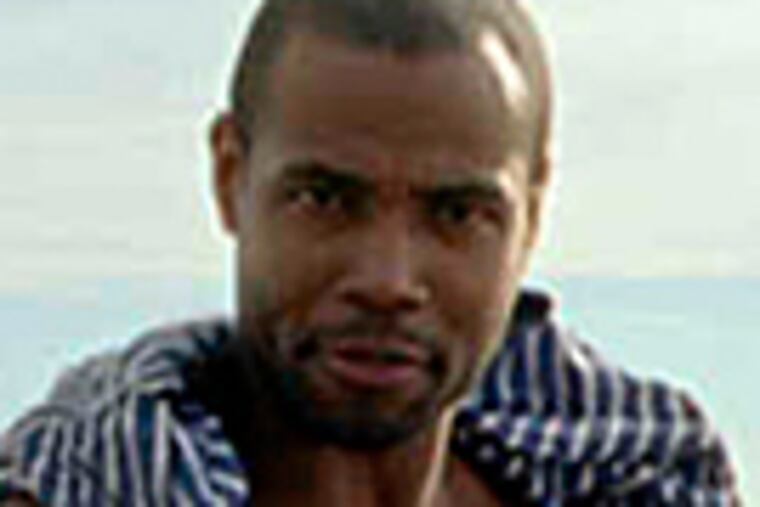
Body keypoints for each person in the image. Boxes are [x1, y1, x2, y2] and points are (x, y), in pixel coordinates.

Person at [0, 0, 740, 505]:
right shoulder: (90, 480)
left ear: (531, 217)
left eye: (456, 214)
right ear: (230, 177)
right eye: (325, 199)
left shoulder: (643, 474)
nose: (388, 279)